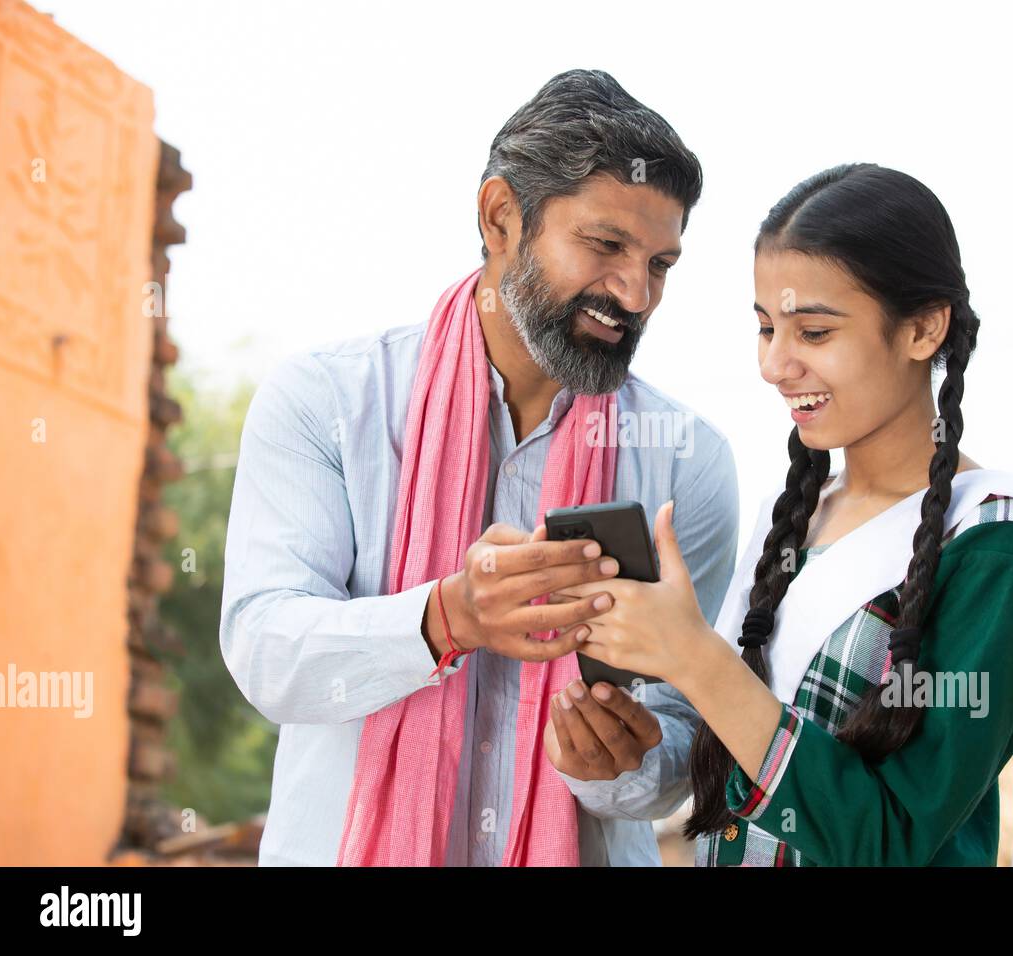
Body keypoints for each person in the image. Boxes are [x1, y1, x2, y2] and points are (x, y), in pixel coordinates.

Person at [219, 69, 739, 866]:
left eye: (661, 264)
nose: (634, 293)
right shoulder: (328, 400)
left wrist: (624, 766)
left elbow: (683, 735)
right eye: (604, 246)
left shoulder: (689, 461)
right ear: (501, 217)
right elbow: (264, 650)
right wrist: (446, 618)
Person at [557, 163, 1013, 866]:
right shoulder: (785, 523)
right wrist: (620, 756)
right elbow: (725, 763)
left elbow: (890, 839)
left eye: (813, 332)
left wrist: (694, 656)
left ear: (923, 329)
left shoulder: (993, 546)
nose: (775, 364)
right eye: (765, 329)